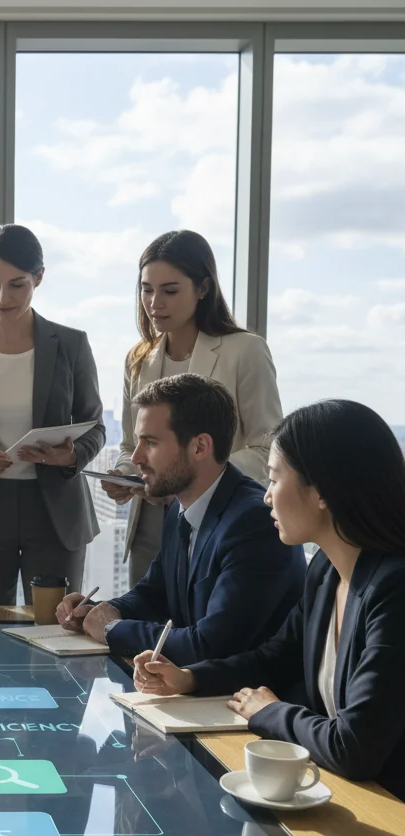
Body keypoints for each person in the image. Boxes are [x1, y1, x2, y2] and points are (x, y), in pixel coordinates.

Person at [133, 400, 405, 799]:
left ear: (323, 491)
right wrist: (190, 678)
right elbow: (275, 658)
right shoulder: (326, 572)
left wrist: (269, 712)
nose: (266, 497)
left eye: (275, 480)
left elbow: (355, 748)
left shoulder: (394, 590)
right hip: (343, 793)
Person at [57, 374, 304, 665]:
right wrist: (99, 611)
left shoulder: (253, 523)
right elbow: (154, 594)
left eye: (150, 443)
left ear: (200, 447)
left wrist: (112, 629)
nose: (135, 457)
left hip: (243, 699)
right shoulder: (180, 507)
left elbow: (211, 644)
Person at [0, 224, 105, 604]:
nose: (1, 296)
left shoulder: (71, 344)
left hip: (55, 508)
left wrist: (71, 455)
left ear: (39, 278)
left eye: (16, 284)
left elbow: (96, 427)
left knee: (56, 625)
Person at [103, 229, 283, 587]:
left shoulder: (244, 351)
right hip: (152, 528)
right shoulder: (138, 359)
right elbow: (129, 445)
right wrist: (124, 475)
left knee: (203, 634)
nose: (155, 303)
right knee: (145, 630)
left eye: (170, 291)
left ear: (203, 289)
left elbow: (268, 449)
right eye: (146, 289)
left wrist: (192, 481)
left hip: (220, 521)